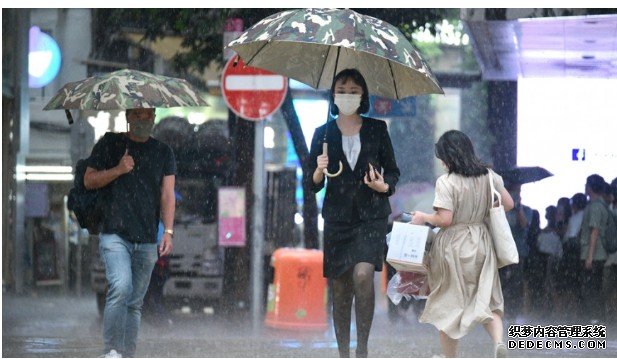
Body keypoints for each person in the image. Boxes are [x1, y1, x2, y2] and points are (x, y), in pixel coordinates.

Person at [306, 68, 400, 358]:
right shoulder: (323, 133)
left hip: (371, 217)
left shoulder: (377, 129)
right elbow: (309, 184)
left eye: (353, 91)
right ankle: (343, 352)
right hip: (337, 218)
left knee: (362, 275)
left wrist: (384, 186)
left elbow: (393, 171)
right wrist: (319, 171)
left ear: (363, 96)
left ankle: (362, 348)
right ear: (334, 96)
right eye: (342, 90)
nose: (347, 96)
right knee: (340, 286)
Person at [411, 130, 514, 358]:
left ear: (448, 157)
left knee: (447, 305)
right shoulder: (489, 176)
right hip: (482, 242)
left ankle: (451, 357)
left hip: (453, 246)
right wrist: (483, 209)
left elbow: (445, 219)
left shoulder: (446, 182)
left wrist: (423, 217)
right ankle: (498, 343)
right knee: (488, 300)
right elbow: (508, 204)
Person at [84, 108, 176, 358]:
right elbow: (88, 180)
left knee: (135, 303)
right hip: (115, 234)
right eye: (138, 116)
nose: (143, 121)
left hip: (147, 240)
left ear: (154, 117)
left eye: (148, 116)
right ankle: (111, 350)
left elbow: (168, 194)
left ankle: (127, 353)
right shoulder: (110, 143)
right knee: (121, 287)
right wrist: (118, 169)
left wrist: (167, 231)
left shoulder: (163, 152)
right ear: (128, 116)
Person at [578, 174, 610, 324]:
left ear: (591, 187)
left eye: (586, 184)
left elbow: (595, 231)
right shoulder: (600, 205)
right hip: (597, 254)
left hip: (595, 255)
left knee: (591, 291)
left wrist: (590, 256)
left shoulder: (596, 206)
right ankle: (595, 321)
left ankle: (595, 322)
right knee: (592, 289)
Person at [500, 181, 533, 321]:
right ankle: (502, 313)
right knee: (501, 284)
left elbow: (525, 224)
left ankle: (514, 313)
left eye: (517, 192)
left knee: (516, 283)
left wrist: (518, 207)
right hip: (501, 253)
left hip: (518, 253)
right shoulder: (501, 210)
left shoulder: (526, 210)